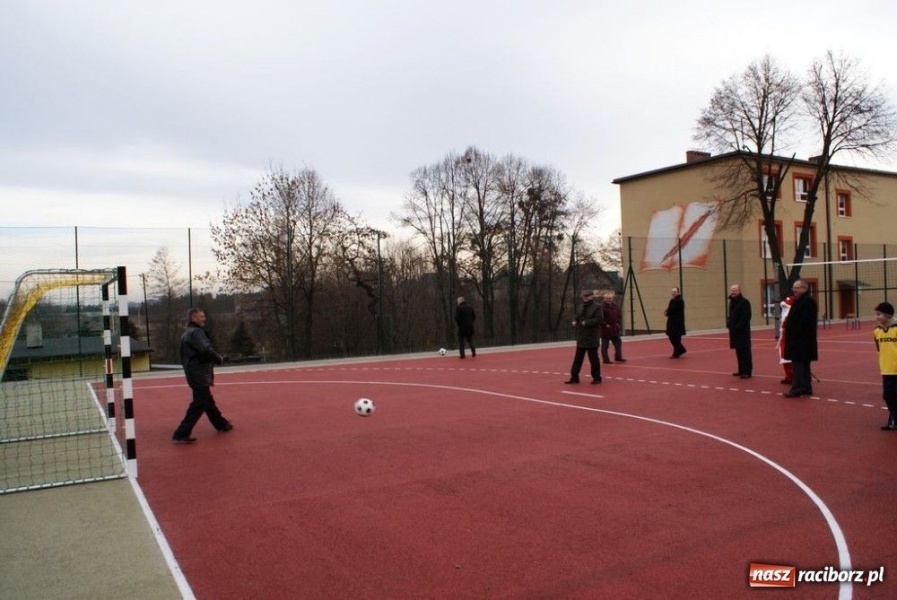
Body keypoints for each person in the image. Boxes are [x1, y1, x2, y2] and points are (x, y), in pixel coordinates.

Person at [172, 308, 233, 443]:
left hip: (193, 372)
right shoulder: (196, 332)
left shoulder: (186, 333)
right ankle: (181, 433)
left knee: (207, 401)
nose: (204, 319)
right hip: (198, 373)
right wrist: (219, 359)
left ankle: (222, 424)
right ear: (193, 318)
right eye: (201, 316)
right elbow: (205, 350)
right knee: (199, 403)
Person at [782, 279, 818, 398]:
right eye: (793, 288)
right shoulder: (800, 300)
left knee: (799, 365)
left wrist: (795, 333)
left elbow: (806, 322)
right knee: (803, 365)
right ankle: (805, 387)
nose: (794, 290)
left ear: (804, 288)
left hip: (802, 340)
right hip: (799, 340)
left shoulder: (807, 301)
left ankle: (797, 388)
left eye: (796, 288)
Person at [565, 289, 603, 384]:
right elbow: (576, 316)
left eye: (587, 296)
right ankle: (574, 377)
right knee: (578, 358)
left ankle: (597, 377)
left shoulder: (597, 307)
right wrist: (574, 320)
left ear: (591, 296)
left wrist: (587, 323)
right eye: (583, 296)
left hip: (592, 337)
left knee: (593, 359)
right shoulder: (580, 306)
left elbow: (599, 319)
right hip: (582, 336)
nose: (585, 298)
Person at [872, 301, 897, 430]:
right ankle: (894, 418)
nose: (877, 317)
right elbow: (879, 349)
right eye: (876, 314)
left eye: (879, 314)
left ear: (888, 315)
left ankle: (893, 420)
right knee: (888, 395)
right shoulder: (876, 331)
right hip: (886, 368)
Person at [727, 284, 753, 379]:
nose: (732, 292)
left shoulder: (745, 302)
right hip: (734, 332)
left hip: (742, 332)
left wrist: (738, 326)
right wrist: (729, 324)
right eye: (731, 290)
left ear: (739, 291)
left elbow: (746, 317)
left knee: (745, 351)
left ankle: (747, 371)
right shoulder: (732, 302)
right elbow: (731, 315)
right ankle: (741, 370)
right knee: (738, 351)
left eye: (734, 290)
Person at [600, 291, 626, 364]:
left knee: (618, 343)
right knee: (605, 346)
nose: (609, 299)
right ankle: (606, 359)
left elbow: (619, 315)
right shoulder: (601, 307)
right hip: (606, 330)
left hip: (615, 329)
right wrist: (605, 325)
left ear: (612, 298)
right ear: (604, 298)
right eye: (607, 298)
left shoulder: (615, 305)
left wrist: (619, 323)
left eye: (610, 298)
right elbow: (600, 318)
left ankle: (618, 357)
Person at [776, 295, 795, 384]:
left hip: (789, 338)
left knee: (789, 358)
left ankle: (792, 377)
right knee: (784, 358)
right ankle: (788, 376)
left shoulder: (790, 315)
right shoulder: (785, 314)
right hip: (784, 337)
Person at [664, 287, 687, 358]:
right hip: (672, 322)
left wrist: (667, 312)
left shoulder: (679, 300)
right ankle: (681, 350)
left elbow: (672, 310)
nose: (673, 293)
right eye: (672, 292)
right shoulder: (673, 300)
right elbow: (669, 309)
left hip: (677, 323)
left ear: (678, 292)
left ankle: (676, 353)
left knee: (676, 338)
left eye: (675, 292)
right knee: (672, 337)